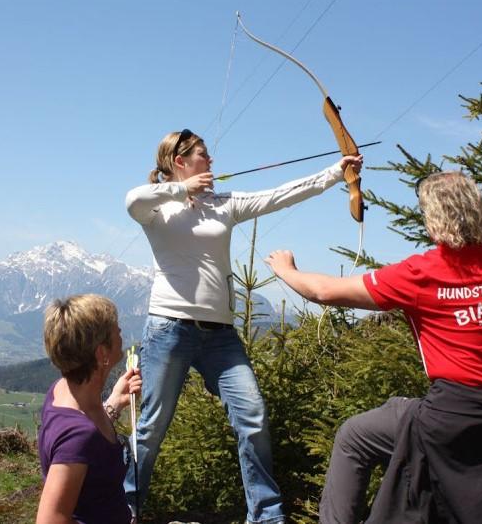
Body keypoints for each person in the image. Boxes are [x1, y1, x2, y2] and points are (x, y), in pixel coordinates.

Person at [265, 171, 482, 524]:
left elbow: (324, 291)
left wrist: (286, 270)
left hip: (449, 419)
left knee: (355, 435)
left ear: (432, 219)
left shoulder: (421, 272)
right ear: (479, 209)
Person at [124, 128, 363, 524]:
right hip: (169, 328)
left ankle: (266, 516)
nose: (211, 161)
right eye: (203, 155)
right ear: (179, 161)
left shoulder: (223, 204)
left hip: (220, 334)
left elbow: (279, 195)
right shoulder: (157, 209)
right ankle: (124, 508)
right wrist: (179, 189)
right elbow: (133, 200)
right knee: (151, 427)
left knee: (252, 416)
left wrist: (336, 174)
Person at [37, 294, 142, 524]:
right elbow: (51, 519)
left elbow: (89, 439)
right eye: (115, 329)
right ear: (102, 353)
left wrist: (114, 402)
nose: (121, 330)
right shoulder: (78, 437)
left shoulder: (61, 391)